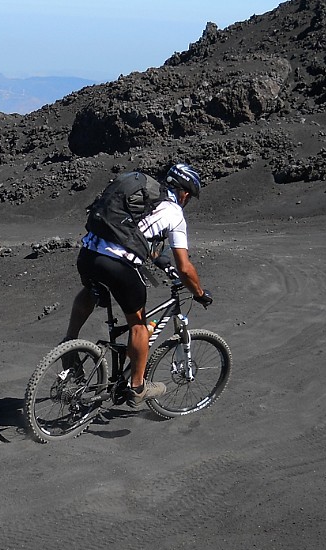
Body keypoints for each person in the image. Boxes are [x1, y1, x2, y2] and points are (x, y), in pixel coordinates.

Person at [63, 162, 213, 408]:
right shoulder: (174, 213)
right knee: (139, 327)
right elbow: (185, 267)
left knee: (91, 290)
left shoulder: (142, 200)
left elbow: (135, 235)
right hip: (118, 267)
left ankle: (69, 343)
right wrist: (199, 293)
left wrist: (161, 262)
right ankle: (137, 387)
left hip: (88, 255)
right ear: (185, 193)